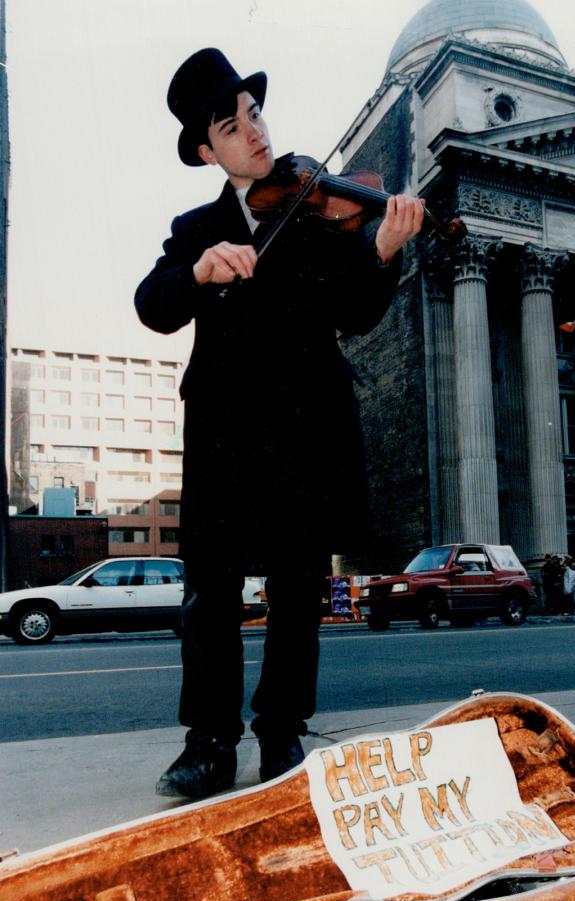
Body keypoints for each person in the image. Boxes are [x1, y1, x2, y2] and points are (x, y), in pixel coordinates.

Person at [135, 48, 424, 799]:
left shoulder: (314, 210)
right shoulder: (195, 226)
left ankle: (281, 731)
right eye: (232, 127)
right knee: (211, 593)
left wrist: (384, 252)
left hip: (306, 425)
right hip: (227, 432)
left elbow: (353, 313)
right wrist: (199, 271)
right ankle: (207, 742)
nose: (253, 134)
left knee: (298, 590)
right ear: (207, 150)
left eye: (254, 114)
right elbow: (152, 303)